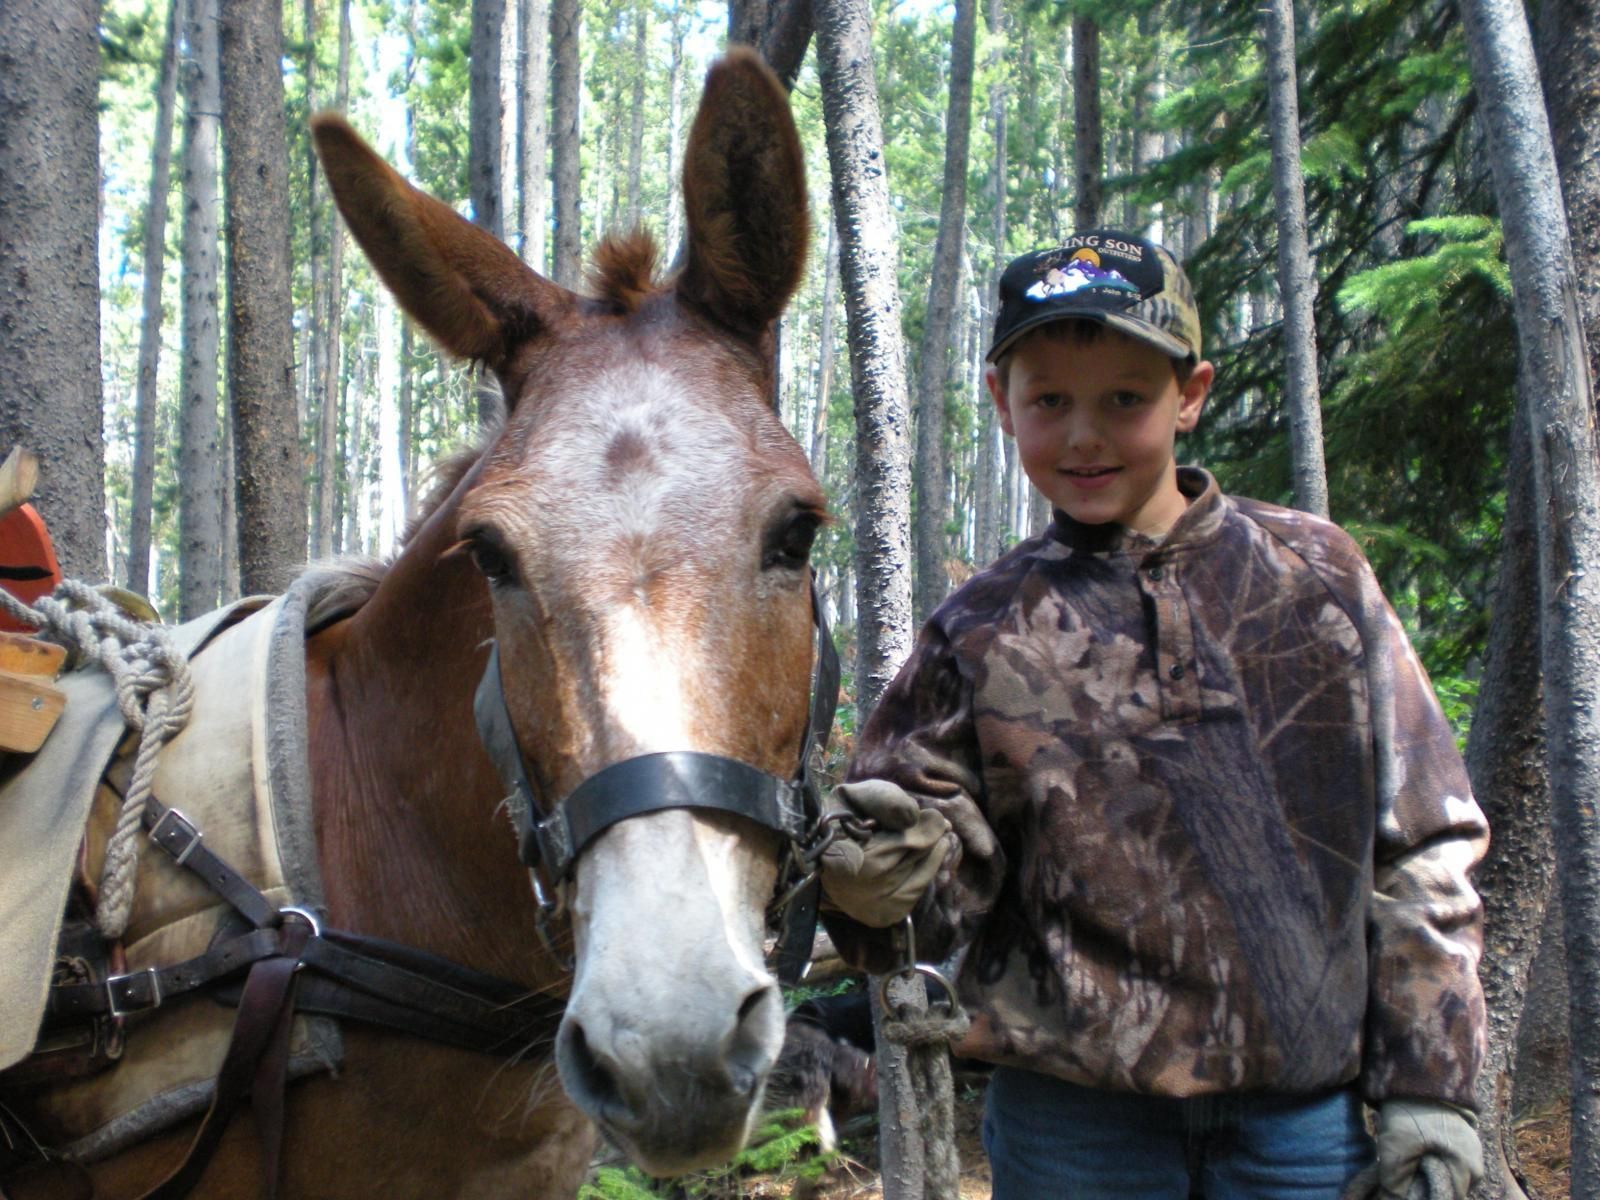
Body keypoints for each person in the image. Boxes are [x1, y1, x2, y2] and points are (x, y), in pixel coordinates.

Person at [816, 229, 1489, 1200]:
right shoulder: (979, 629)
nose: (1084, 436)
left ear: (1192, 394)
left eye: (1124, 399)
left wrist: (1430, 1086)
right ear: (1003, 402)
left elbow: (1424, 840)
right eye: (1050, 401)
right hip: (1072, 1127)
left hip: (1303, 1121)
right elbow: (919, 902)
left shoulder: (1315, 580)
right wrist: (876, 885)